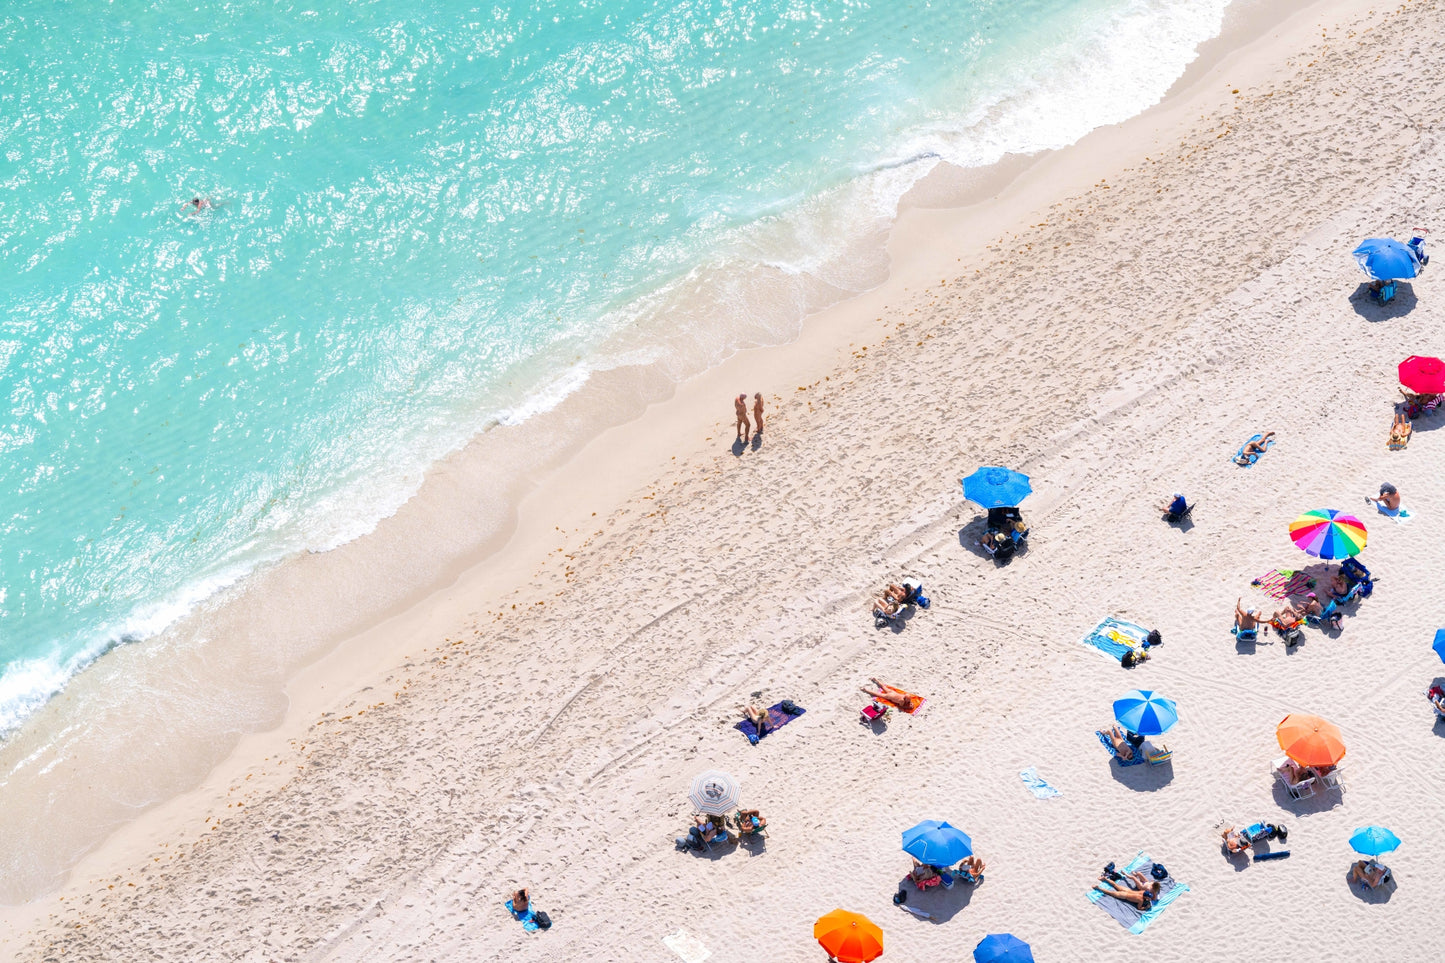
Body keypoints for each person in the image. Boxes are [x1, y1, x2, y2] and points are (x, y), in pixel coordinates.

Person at [1094, 875, 1159, 909]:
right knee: (1110, 893)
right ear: (1146, 897)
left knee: (1115, 885)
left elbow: (1148, 893)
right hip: (1124, 895)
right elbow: (1139, 908)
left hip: (1127, 890)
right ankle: (1098, 888)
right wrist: (1145, 908)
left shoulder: (1142, 891)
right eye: (1148, 898)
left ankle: (1105, 879)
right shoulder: (1141, 900)